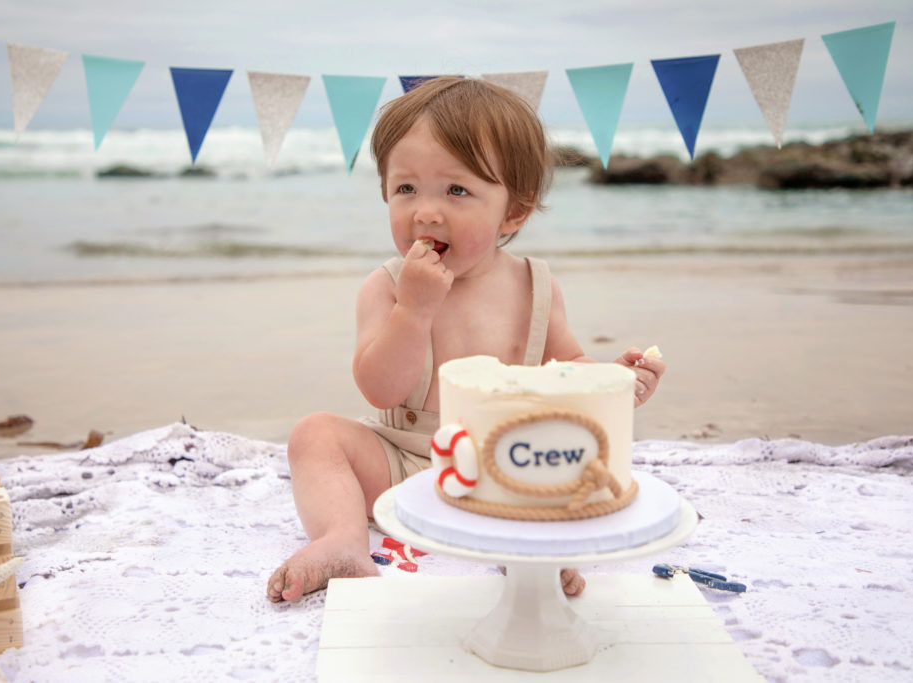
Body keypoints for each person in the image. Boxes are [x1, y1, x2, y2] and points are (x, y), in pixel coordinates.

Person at [267, 77, 665, 603]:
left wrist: (612, 380)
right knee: (315, 434)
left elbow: (568, 367)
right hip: (402, 465)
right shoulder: (386, 287)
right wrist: (414, 310)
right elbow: (381, 390)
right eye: (406, 188)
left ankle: (527, 554)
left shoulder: (534, 286)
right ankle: (342, 537)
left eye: (456, 190)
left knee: (560, 465)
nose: (425, 212)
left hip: (503, 466)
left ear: (515, 211)